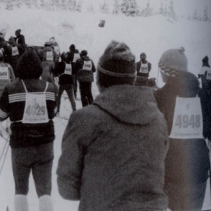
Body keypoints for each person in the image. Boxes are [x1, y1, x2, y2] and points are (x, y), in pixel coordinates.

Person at [57, 41, 169, 210]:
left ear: (100, 81)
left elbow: (67, 188)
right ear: (132, 79)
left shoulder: (84, 119)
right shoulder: (158, 119)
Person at [0, 48, 56, 211]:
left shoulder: (12, 88)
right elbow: (53, 112)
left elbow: (0, 115)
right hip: (45, 144)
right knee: (45, 190)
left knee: (20, 189)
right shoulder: (50, 88)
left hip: (21, 144)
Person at [154, 48, 211, 211]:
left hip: (171, 172)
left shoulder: (159, 97)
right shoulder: (203, 95)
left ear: (168, 72)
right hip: (199, 171)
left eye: (162, 69)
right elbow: (210, 131)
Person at [52, 46, 78, 114]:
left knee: (59, 96)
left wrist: (52, 69)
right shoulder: (72, 64)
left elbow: (55, 71)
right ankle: (74, 110)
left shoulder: (61, 64)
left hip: (62, 83)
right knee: (71, 99)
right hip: (70, 83)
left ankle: (57, 110)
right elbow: (74, 72)